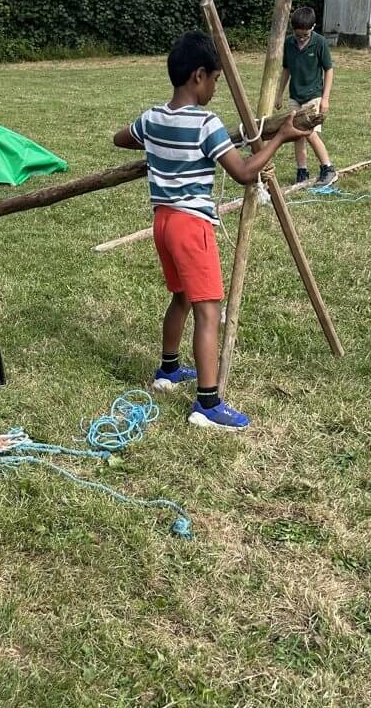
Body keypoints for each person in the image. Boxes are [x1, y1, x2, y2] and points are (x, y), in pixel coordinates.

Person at [113, 31, 309, 433]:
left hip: (163, 224)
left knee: (181, 297)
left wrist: (158, 147)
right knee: (207, 311)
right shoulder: (206, 124)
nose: (216, 88)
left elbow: (121, 138)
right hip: (191, 226)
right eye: (215, 80)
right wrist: (281, 138)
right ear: (198, 76)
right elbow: (243, 173)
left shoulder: (152, 118)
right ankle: (207, 403)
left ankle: (168, 370)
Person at [275, 6, 337, 186]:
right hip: (295, 96)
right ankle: (302, 171)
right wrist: (279, 94)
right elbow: (286, 69)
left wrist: (325, 99)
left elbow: (329, 70)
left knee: (310, 133)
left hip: (313, 96)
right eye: (298, 35)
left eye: (305, 35)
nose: (301, 38)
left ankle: (328, 168)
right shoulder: (289, 43)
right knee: (296, 134)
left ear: (313, 27)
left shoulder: (320, 42)